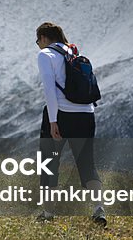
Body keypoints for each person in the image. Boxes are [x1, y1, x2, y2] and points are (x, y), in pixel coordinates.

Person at [35, 21, 106, 226]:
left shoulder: (45, 55)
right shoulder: (73, 53)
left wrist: (53, 120)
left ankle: (48, 214)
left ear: (45, 38)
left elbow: (49, 89)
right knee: (86, 162)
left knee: (50, 162)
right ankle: (98, 209)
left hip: (62, 114)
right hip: (86, 113)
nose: (38, 44)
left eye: (37, 40)